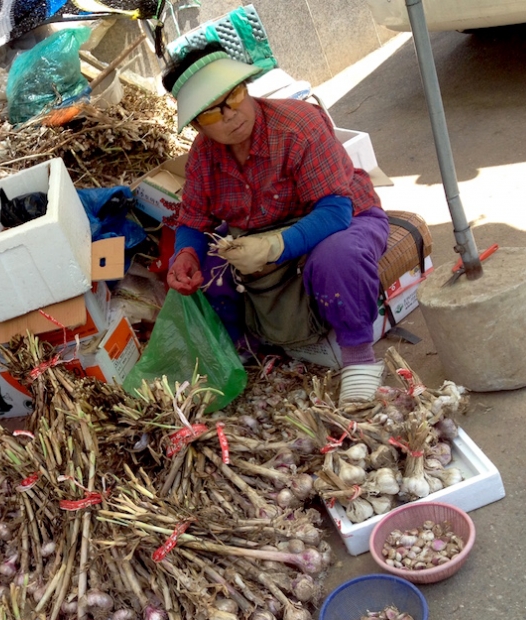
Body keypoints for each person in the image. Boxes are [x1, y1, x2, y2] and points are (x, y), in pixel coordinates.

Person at [163, 43, 390, 404]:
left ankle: (359, 359)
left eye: (234, 96)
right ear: (195, 125)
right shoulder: (203, 159)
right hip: (260, 232)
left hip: (342, 218)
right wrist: (185, 255)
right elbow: (193, 219)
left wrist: (274, 246)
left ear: (247, 87)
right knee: (210, 269)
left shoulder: (298, 125)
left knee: (336, 258)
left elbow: (335, 211)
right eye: (210, 114)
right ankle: (247, 350)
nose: (230, 116)